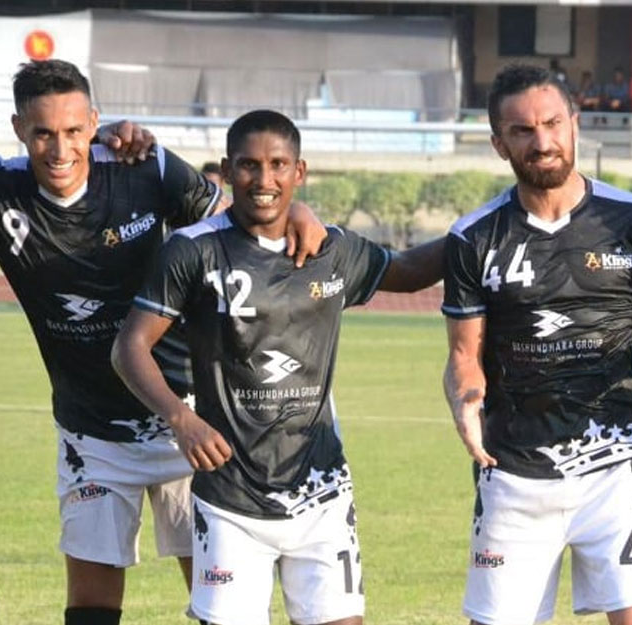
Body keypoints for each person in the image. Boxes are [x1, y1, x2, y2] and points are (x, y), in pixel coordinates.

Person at [0, 60, 327, 625]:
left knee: (220, 608)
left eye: (74, 131)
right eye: (43, 133)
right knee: (90, 608)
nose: (60, 149)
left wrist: (298, 210)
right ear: (18, 128)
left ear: (95, 123)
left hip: (191, 422)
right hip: (92, 435)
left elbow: (246, 218)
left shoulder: (146, 166)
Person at [442, 63, 632, 625]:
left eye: (552, 124)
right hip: (513, 471)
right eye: (522, 131)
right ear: (498, 144)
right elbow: (464, 356)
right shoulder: (474, 237)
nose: (542, 142)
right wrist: (465, 398)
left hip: (615, 466)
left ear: (575, 124)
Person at [111, 109, 444, 625]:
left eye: (278, 165)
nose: (263, 180)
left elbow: (412, 269)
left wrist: (485, 231)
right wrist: (181, 418)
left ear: (299, 171)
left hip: (321, 493)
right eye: (248, 165)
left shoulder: (332, 250)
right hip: (230, 497)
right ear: (227, 170)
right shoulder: (193, 250)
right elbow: (130, 347)